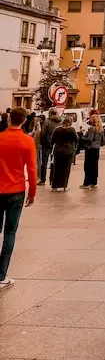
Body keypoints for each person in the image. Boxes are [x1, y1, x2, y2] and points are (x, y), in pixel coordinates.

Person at [0, 108, 36, 290]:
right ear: (23, 121)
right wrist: (32, 193)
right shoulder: (27, 141)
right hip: (16, 190)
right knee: (10, 233)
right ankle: (1, 275)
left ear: (8, 120)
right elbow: (31, 169)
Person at [50, 115, 78, 191]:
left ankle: (54, 186)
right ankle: (64, 186)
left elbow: (52, 140)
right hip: (68, 151)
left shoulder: (57, 129)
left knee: (57, 169)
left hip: (58, 151)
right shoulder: (72, 130)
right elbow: (76, 139)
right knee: (66, 169)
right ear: (71, 122)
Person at [38, 108, 61, 186]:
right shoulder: (60, 121)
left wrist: (42, 142)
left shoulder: (47, 121)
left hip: (47, 144)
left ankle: (43, 180)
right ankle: (52, 179)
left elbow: (43, 133)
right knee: (54, 162)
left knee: (44, 162)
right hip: (57, 144)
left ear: (50, 113)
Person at [80, 113, 103, 189]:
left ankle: (86, 183)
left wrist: (83, 137)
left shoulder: (92, 128)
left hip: (90, 149)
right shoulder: (101, 129)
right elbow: (103, 140)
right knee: (95, 166)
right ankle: (93, 182)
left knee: (87, 166)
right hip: (97, 149)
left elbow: (90, 139)